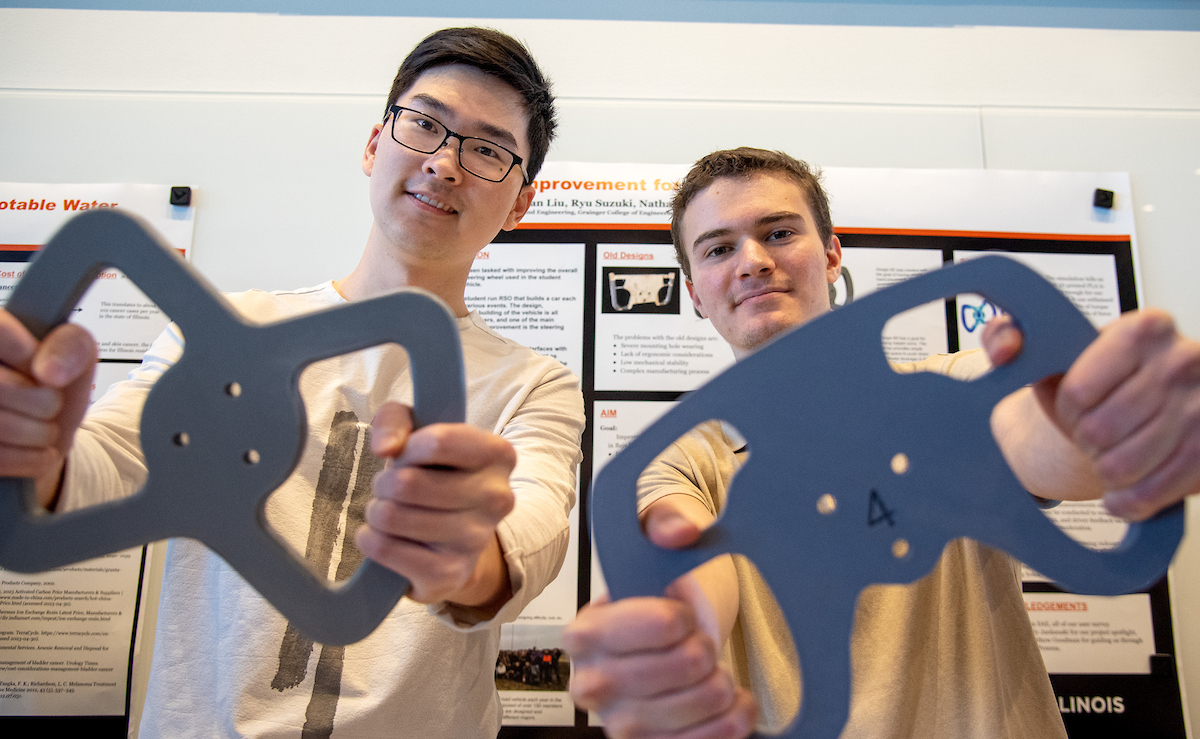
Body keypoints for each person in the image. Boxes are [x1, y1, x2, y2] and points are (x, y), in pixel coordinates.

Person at [0, 27, 585, 738]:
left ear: (522, 202)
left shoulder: (535, 384)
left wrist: (468, 556)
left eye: (488, 150)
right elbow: (102, 468)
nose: (444, 164)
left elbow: (530, 530)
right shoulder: (229, 326)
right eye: (426, 124)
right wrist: (33, 450)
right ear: (375, 144)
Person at [564, 147, 1200, 739]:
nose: (753, 261)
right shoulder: (683, 460)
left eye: (779, 233)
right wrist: (670, 627)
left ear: (834, 254)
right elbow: (685, 560)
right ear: (696, 293)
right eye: (717, 249)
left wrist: (1091, 423)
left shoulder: (946, 387)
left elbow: (1032, 437)